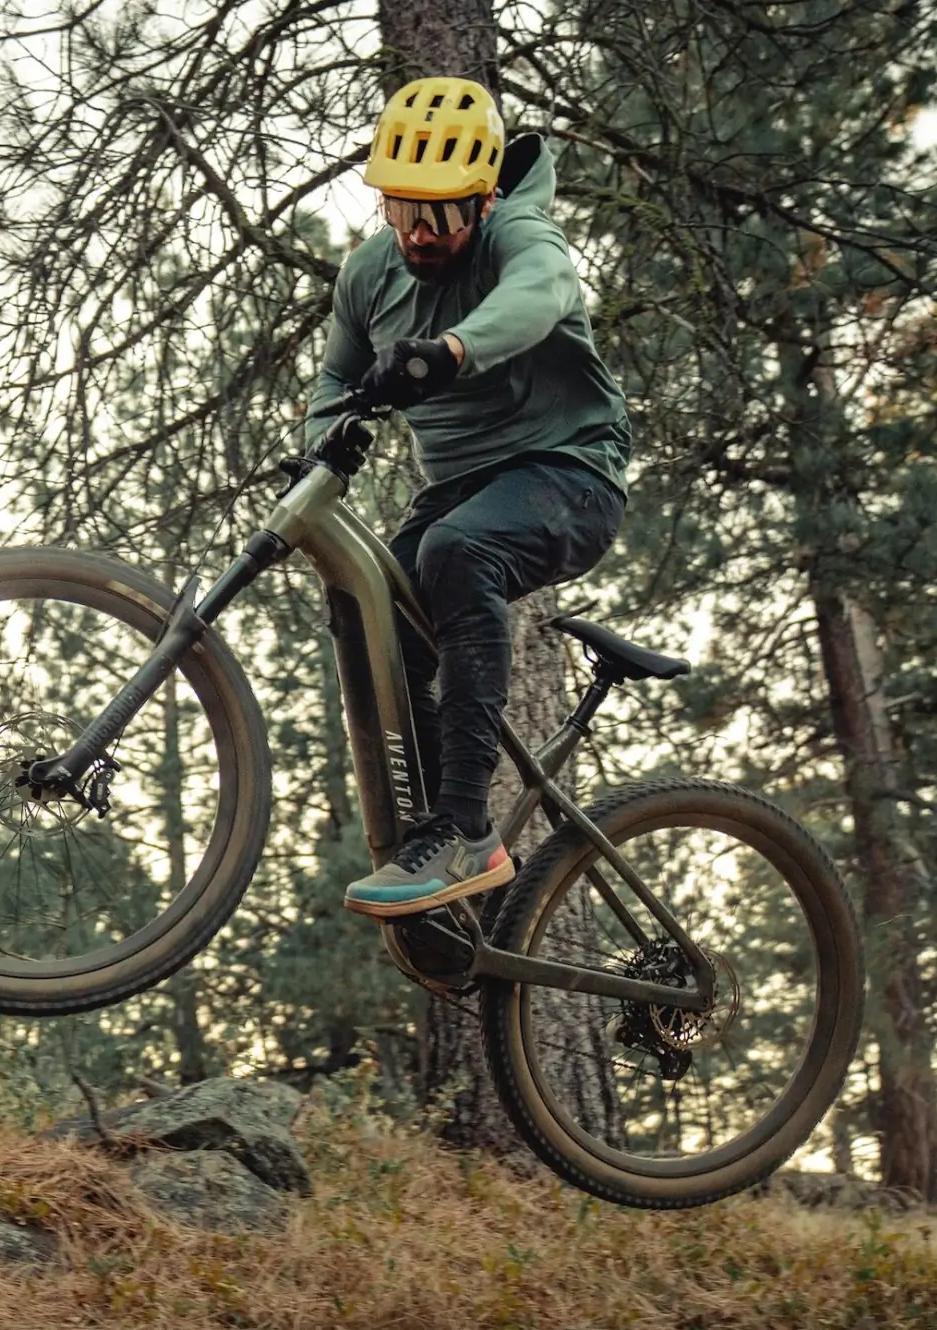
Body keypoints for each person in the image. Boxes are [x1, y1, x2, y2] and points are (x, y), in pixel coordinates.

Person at [303, 76, 632, 918]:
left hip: (570, 474)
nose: (417, 231)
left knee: (457, 552)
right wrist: (325, 439)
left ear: (482, 200)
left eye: (439, 212)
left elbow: (541, 294)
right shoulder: (370, 274)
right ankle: (430, 854)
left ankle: (465, 830)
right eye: (399, 207)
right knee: (374, 607)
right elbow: (337, 374)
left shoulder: (521, 234)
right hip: (461, 489)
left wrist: (451, 350)